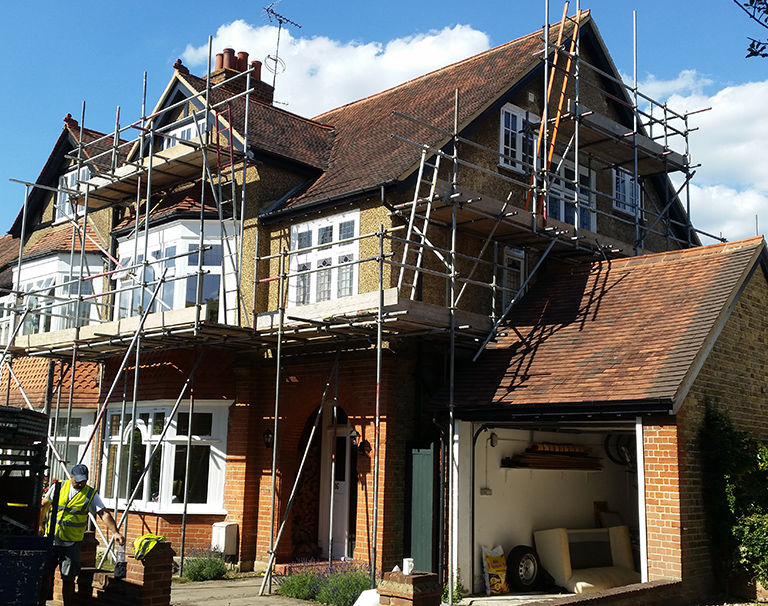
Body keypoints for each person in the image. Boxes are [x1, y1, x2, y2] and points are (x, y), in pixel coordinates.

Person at [39, 464, 125, 606]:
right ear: (71, 476)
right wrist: (40, 524)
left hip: (71, 543)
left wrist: (115, 532)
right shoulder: (58, 487)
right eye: (77, 480)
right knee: (44, 576)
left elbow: (103, 513)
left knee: (68, 579)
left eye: (83, 480)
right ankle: (40, 603)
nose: (80, 483)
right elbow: (45, 504)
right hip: (51, 540)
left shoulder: (90, 494)